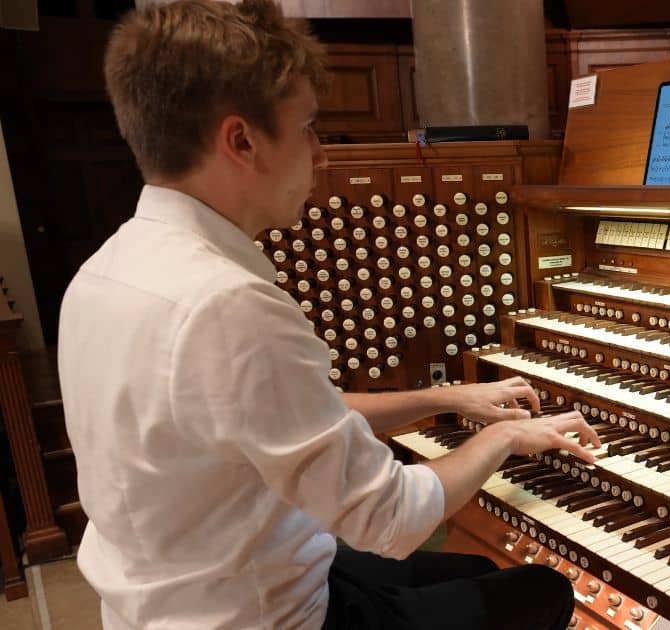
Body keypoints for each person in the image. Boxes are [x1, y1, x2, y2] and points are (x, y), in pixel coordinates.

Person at [56, 1, 600, 628]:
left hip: (165, 595)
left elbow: (292, 414)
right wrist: (503, 435)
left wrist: (449, 396)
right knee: (545, 592)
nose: (320, 156)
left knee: (478, 573)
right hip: (258, 615)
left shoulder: (107, 268)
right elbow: (392, 519)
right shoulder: (228, 305)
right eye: (308, 127)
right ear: (242, 140)